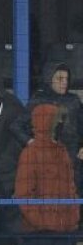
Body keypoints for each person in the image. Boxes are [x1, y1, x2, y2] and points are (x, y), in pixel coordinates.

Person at [14, 104, 79, 245]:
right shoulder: (31, 153)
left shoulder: (63, 152)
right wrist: (42, 223)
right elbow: (23, 194)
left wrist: (73, 219)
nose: (60, 124)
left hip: (64, 233)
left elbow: (71, 189)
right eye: (57, 120)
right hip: (38, 234)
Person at [0, 71, 31, 245]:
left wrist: (11, 169)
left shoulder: (12, 106)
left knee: (11, 227)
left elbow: (23, 136)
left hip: (9, 178)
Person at [29, 62, 83, 192]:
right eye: (60, 78)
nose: (64, 82)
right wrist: (29, 141)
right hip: (45, 157)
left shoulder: (74, 101)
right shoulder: (38, 100)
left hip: (72, 156)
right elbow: (18, 125)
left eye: (66, 79)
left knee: (72, 192)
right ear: (50, 79)